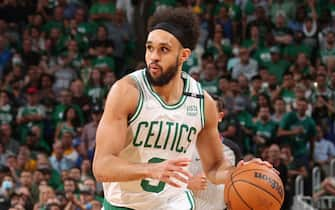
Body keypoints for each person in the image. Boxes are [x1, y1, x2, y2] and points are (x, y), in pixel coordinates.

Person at [93, 7, 273, 210]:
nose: (153, 56)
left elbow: (214, 168)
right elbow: (101, 166)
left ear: (184, 55)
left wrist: (239, 172)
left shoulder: (202, 103)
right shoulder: (127, 91)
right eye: (150, 48)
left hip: (173, 204)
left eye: (164, 49)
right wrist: (149, 170)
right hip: (124, 205)